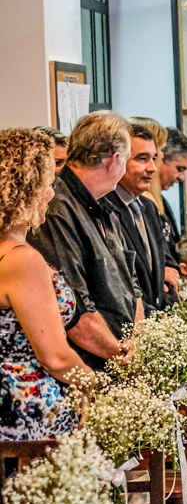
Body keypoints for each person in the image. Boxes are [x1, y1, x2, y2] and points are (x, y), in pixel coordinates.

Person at [28, 110, 143, 372]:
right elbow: (75, 311)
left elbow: (132, 283)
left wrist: (137, 343)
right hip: (90, 369)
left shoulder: (105, 203)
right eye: (127, 160)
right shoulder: (55, 210)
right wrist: (123, 358)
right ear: (114, 160)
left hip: (119, 360)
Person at [0, 129, 94, 440]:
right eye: (47, 184)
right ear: (25, 189)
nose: (51, 195)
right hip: (28, 412)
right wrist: (94, 385)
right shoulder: (21, 259)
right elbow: (54, 357)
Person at [104, 125, 174, 315]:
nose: (152, 168)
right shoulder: (105, 210)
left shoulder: (148, 207)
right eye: (142, 159)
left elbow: (161, 269)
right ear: (117, 160)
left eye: (154, 158)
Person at [154, 127, 187, 264]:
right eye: (179, 169)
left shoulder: (161, 203)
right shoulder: (139, 205)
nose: (182, 178)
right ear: (160, 159)